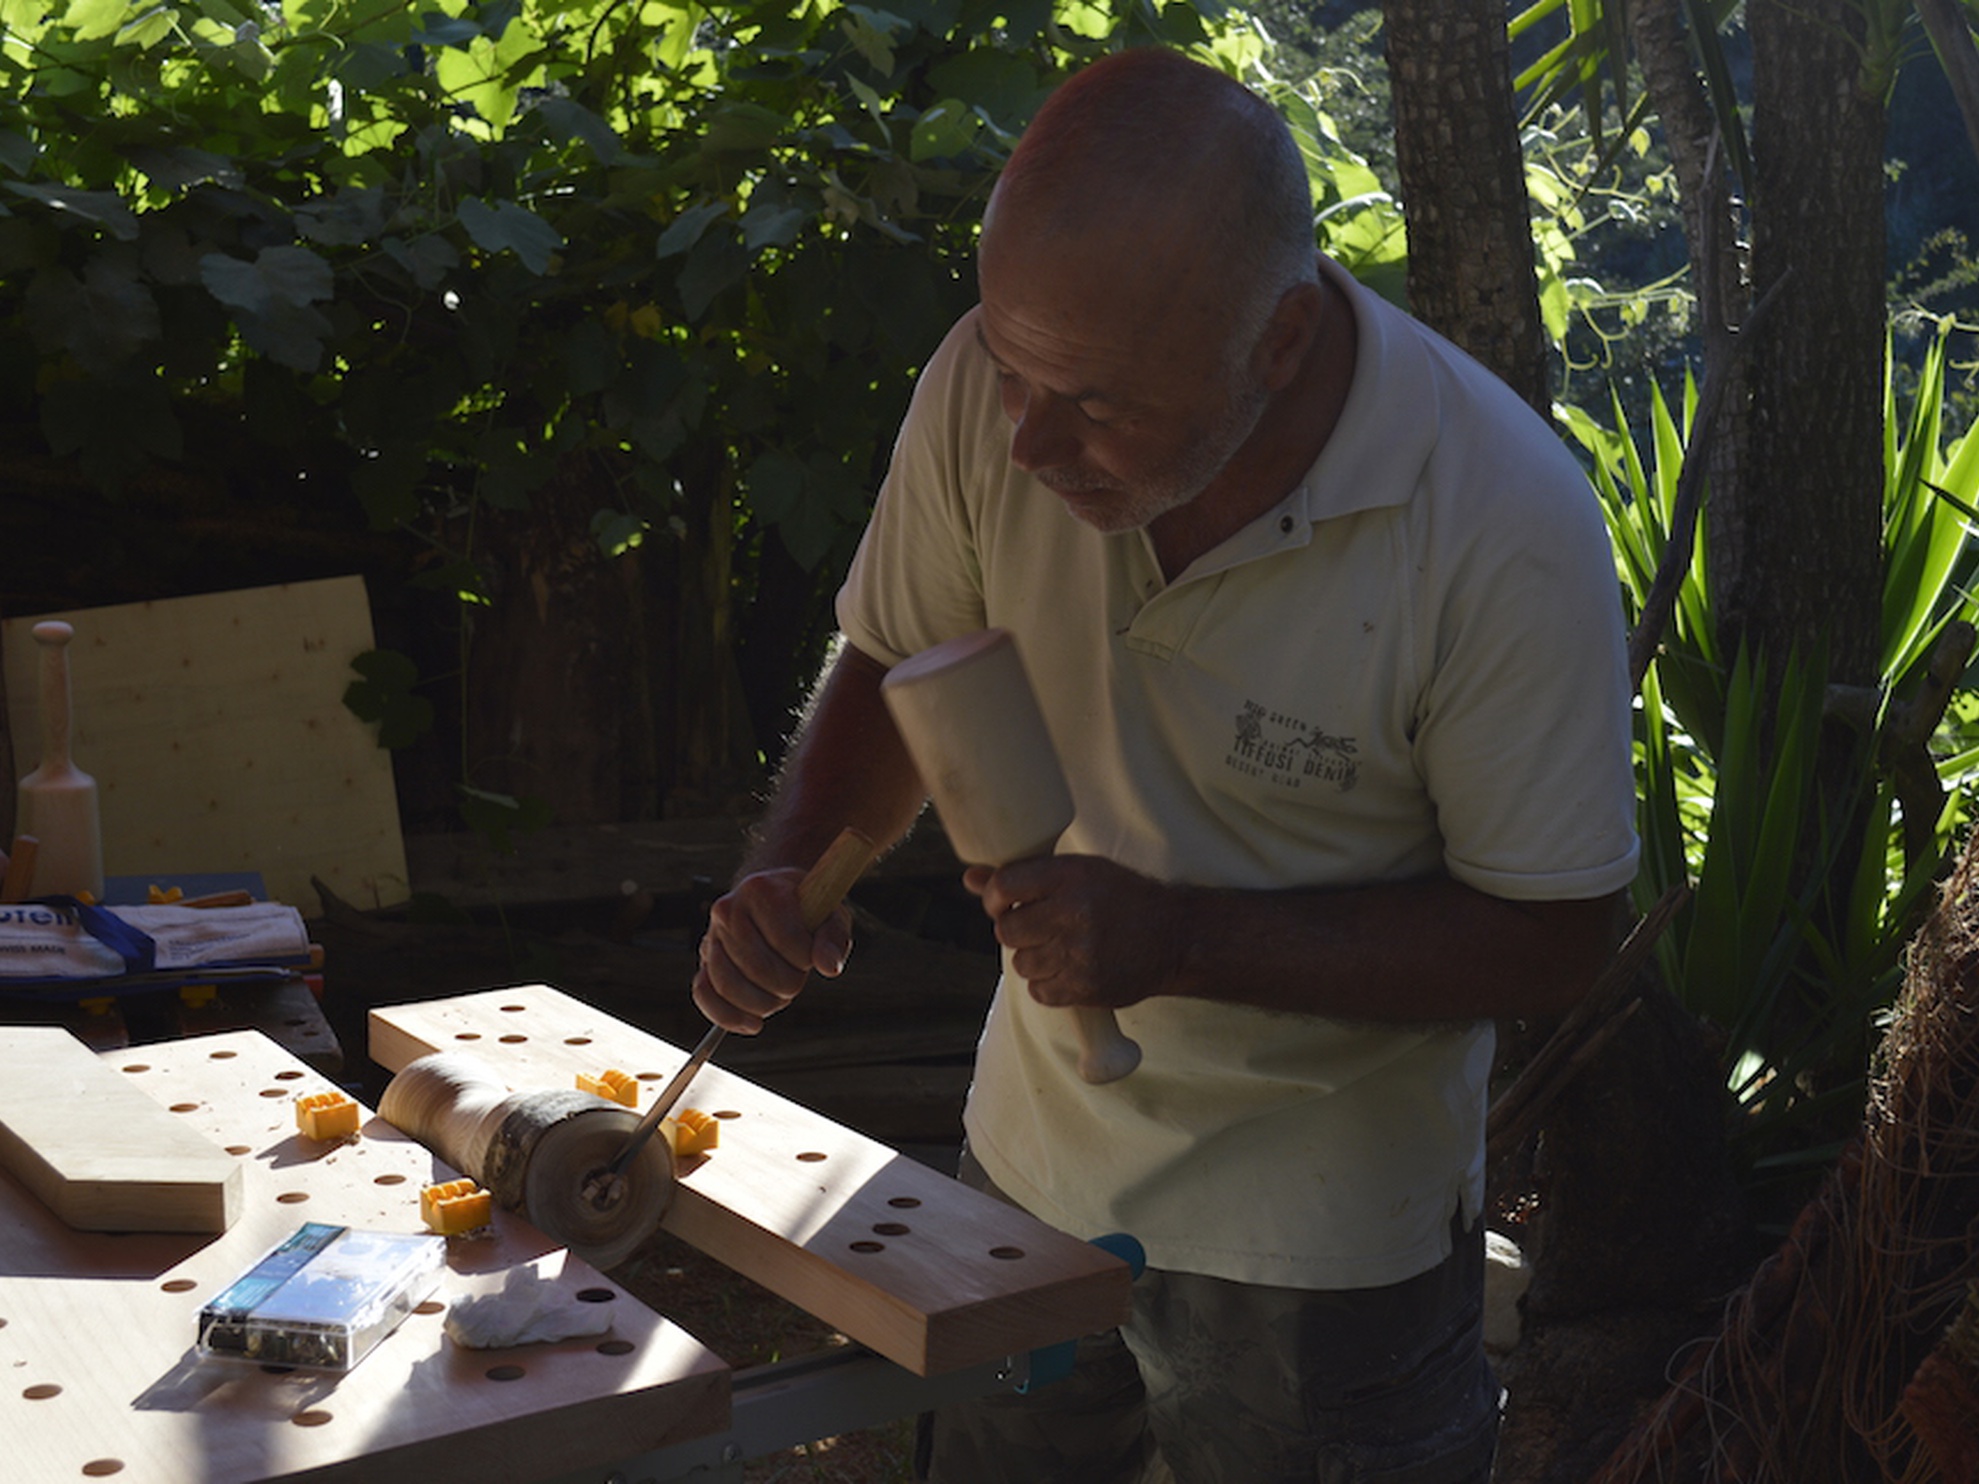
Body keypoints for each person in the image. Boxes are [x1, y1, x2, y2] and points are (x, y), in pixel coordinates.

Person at [692, 46, 1639, 1484]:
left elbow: (1555, 937)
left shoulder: (1502, 528)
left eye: (1095, 403)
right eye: (1010, 369)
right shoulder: (999, 388)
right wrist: (789, 870)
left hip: (1326, 1241)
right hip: (1028, 1171)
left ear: (1279, 342)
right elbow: (895, 656)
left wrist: (1180, 940)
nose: (1027, 440)